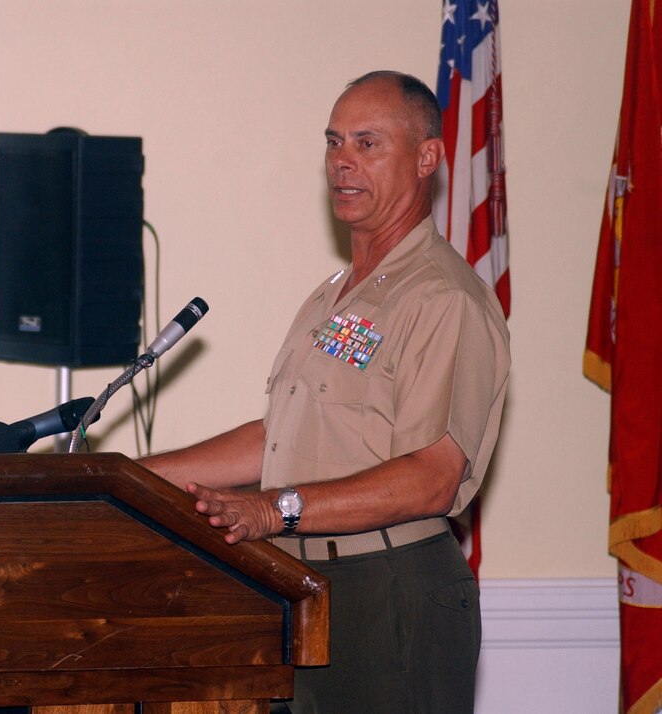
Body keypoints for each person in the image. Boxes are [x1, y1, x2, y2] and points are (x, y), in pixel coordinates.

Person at [140, 70, 511, 713]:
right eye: (335, 142)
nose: (343, 162)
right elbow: (277, 435)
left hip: (387, 589)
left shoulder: (442, 298)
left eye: (368, 144)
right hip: (300, 583)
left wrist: (271, 509)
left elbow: (433, 478)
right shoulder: (335, 295)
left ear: (428, 157)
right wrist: (133, 477)